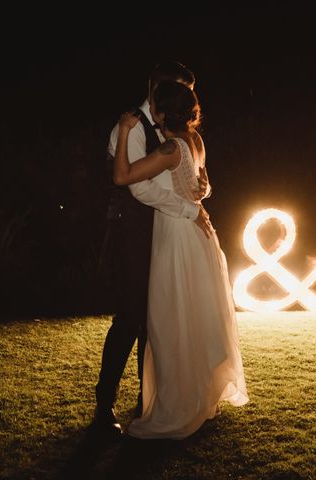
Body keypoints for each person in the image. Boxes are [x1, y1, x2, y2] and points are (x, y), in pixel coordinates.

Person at [113, 80, 248, 439]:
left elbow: (122, 176)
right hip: (199, 233)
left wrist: (125, 132)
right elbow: (202, 183)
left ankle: (179, 401)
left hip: (176, 234)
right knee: (197, 311)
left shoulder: (172, 148)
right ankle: (202, 394)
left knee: (171, 316)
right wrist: (203, 191)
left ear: (161, 112)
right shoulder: (195, 141)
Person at [93, 61, 212, 437]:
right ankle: (103, 404)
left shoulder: (178, 132)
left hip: (167, 233)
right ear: (157, 90)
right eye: (180, 92)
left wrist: (197, 190)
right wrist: (189, 208)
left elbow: (190, 177)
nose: (187, 101)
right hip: (135, 235)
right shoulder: (128, 127)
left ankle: (153, 398)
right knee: (129, 317)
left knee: (158, 318)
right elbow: (137, 188)